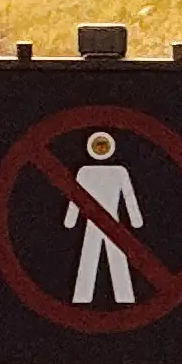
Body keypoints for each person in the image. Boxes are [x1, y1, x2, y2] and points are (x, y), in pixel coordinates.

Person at [64, 127, 141, 308]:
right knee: (89, 256)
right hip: (95, 220)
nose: (101, 149)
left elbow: (128, 196)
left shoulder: (119, 171)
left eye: (103, 146)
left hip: (111, 220)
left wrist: (135, 219)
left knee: (115, 257)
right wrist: (71, 218)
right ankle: (83, 296)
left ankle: (124, 296)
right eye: (98, 146)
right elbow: (76, 196)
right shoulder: (84, 171)